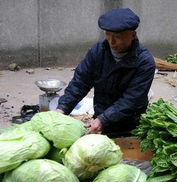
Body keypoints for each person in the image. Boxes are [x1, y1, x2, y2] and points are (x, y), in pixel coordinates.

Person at [55, 8, 156, 136]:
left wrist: (103, 120)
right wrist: (62, 108)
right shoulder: (97, 51)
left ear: (133, 35)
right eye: (108, 35)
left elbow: (131, 100)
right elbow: (80, 82)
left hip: (130, 125)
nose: (111, 42)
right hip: (100, 118)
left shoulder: (144, 61)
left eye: (117, 37)